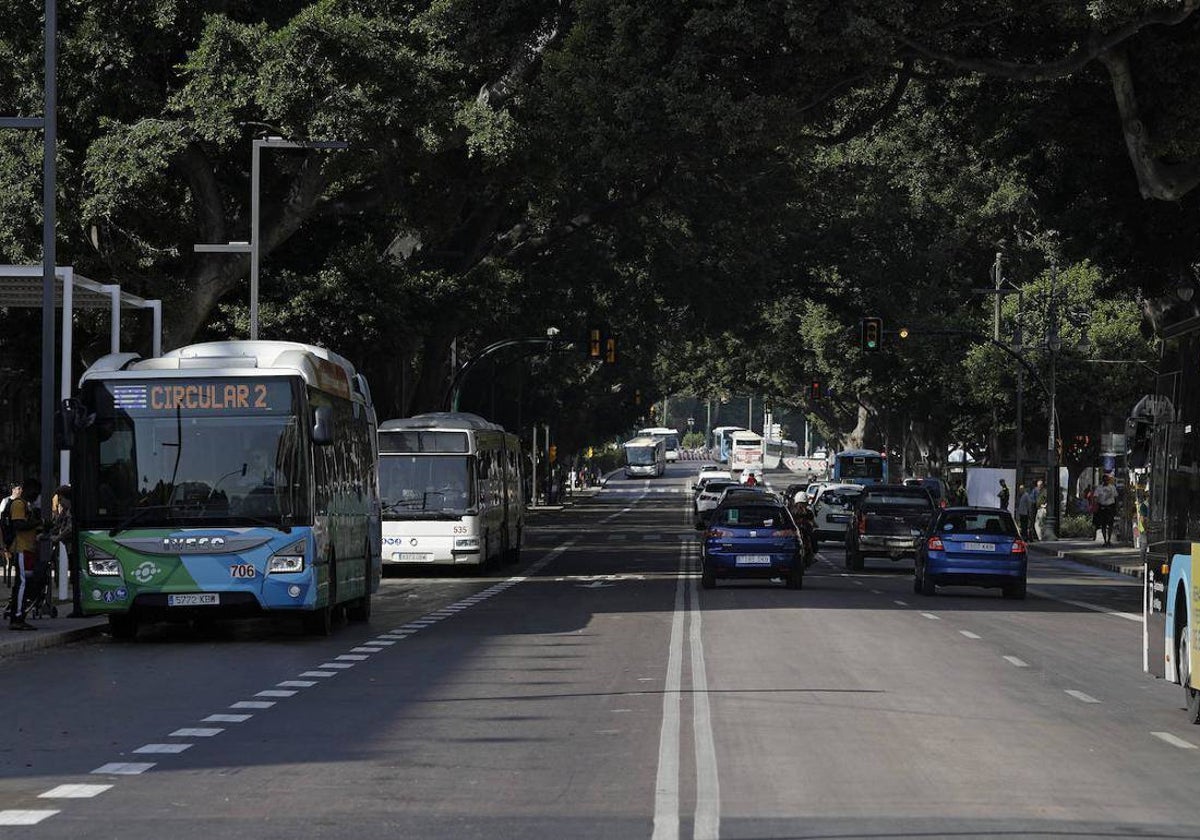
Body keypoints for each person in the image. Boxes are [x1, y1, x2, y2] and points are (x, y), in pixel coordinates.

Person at [5, 478, 43, 630]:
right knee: (22, 583)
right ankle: (17, 617)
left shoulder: (26, 505)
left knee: (24, 583)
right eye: (35, 492)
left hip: (27, 548)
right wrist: (38, 522)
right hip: (21, 548)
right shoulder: (19, 504)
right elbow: (19, 525)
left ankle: (18, 615)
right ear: (26, 489)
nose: (36, 496)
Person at [48, 485, 81, 617]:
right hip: (69, 548)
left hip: (75, 548)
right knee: (73, 576)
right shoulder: (65, 511)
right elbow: (57, 525)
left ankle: (78, 607)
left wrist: (57, 537)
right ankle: (77, 605)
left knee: (76, 577)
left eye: (61, 500)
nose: (60, 503)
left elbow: (69, 529)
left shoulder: (73, 511)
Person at [1093, 473, 1118, 546]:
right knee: (1103, 524)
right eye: (1105, 480)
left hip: (1110, 506)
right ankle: (1105, 540)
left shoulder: (1112, 487)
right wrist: (1097, 502)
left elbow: (1116, 497)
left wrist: (1116, 507)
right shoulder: (1099, 488)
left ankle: (1109, 540)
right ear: (1102, 480)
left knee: (1110, 524)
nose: (1106, 481)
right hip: (1102, 507)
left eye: (1107, 480)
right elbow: (1095, 497)